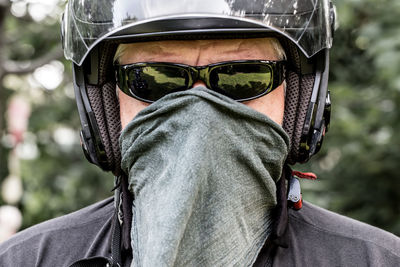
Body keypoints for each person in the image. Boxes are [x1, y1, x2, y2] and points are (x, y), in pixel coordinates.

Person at [1, 0, 400, 266]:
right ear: (103, 104)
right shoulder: (27, 259)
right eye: (152, 79)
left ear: (300, 100)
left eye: (244, 76)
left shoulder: (378, 260)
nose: (199, 111)